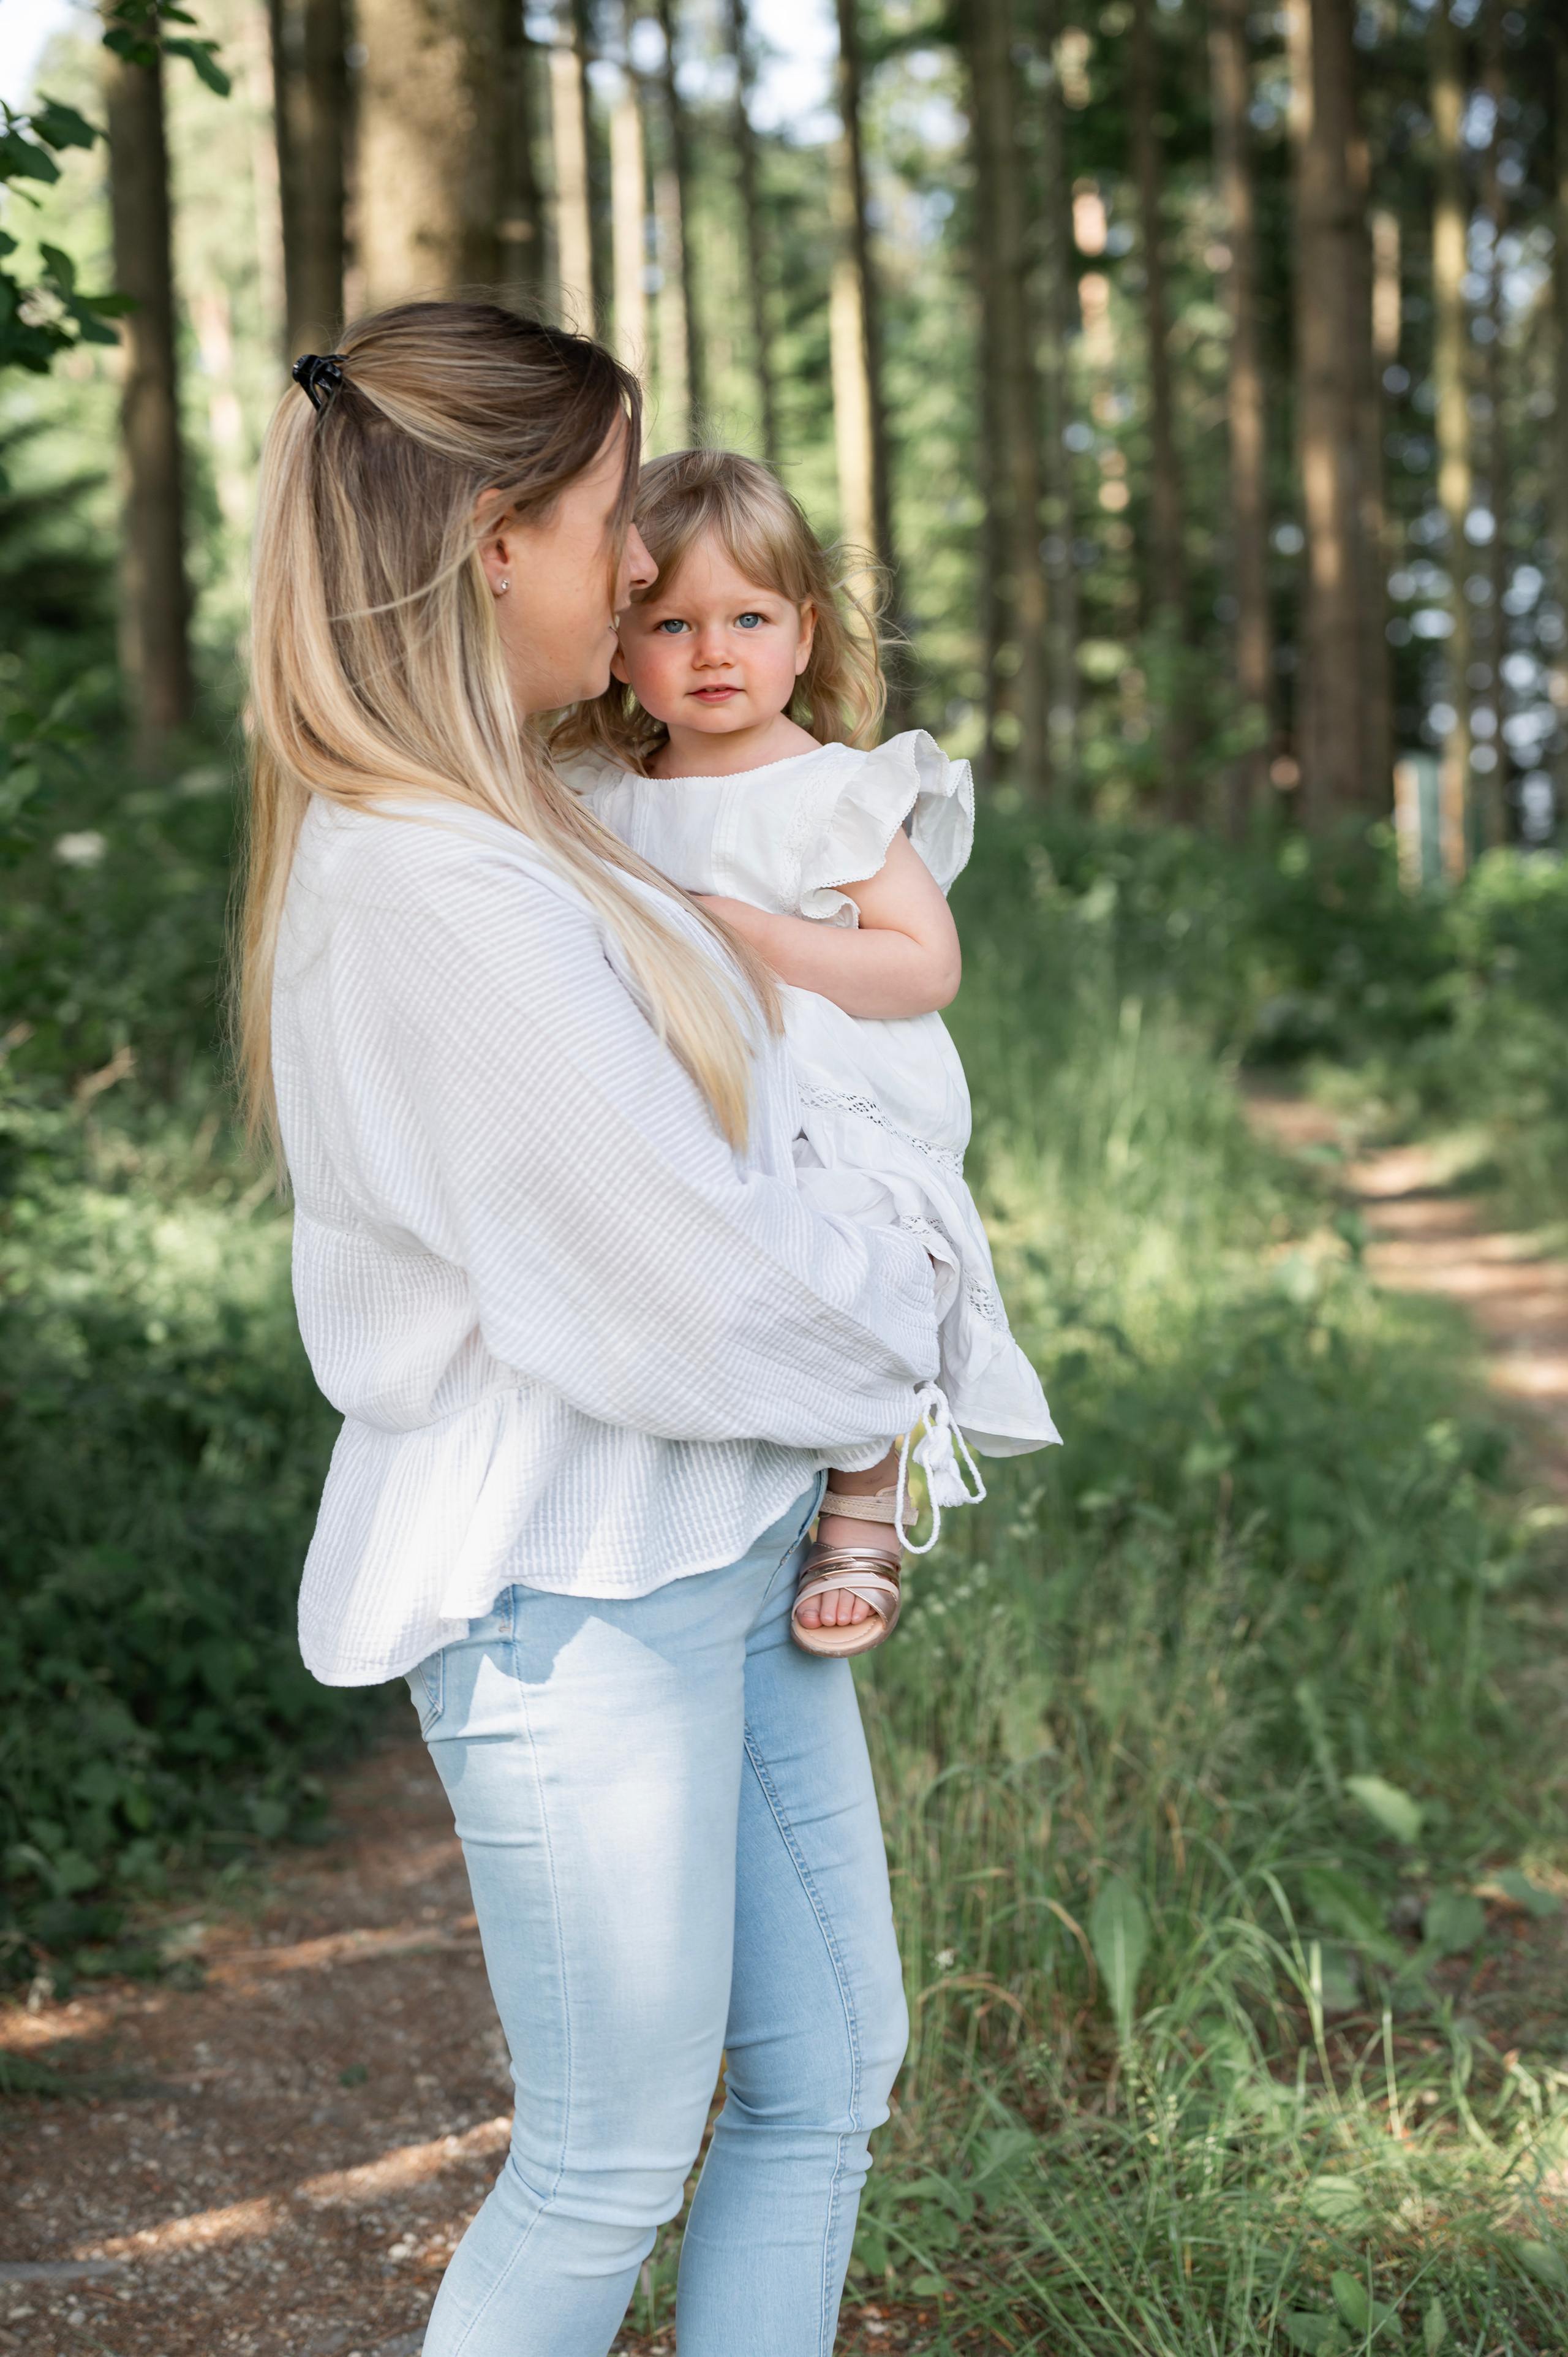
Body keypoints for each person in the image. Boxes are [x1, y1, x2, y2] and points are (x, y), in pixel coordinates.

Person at [239, 303, 944, 2357]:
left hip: (713, 1545)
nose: (646, 567)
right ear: (493, 542)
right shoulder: (433, 885)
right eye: (615, 513)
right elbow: (688, 1280)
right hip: (575, 1583)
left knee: (824, 2079)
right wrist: (903, 1329)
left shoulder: (531, 825)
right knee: (607, 2157)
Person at [555, 449, 1060, 1656]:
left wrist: (744, 935)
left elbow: (920, 964)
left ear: (803, 633)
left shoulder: (831, 792)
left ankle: (864, 1490)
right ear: (617, 644)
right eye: (669, 621)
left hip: (829, 1083)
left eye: (748, 618)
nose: (712, 651)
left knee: (851, 1233)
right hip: (681, 1089)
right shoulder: (597, 794)